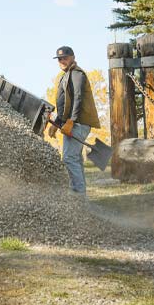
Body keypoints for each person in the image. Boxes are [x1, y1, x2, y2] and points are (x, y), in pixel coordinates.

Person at [47, 46, 100, 196]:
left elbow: (78, 98)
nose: (62, 61)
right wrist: (58, 124)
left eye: (65, 58)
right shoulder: (65, 76)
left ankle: (78, 197)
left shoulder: (77, 74)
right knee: (75, 158)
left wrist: (71, 121)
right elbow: (64, 104)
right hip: (72, 123)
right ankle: (81, 197)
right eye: (59, 59)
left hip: (78, 123)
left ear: (73, 57)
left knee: (69, 158)